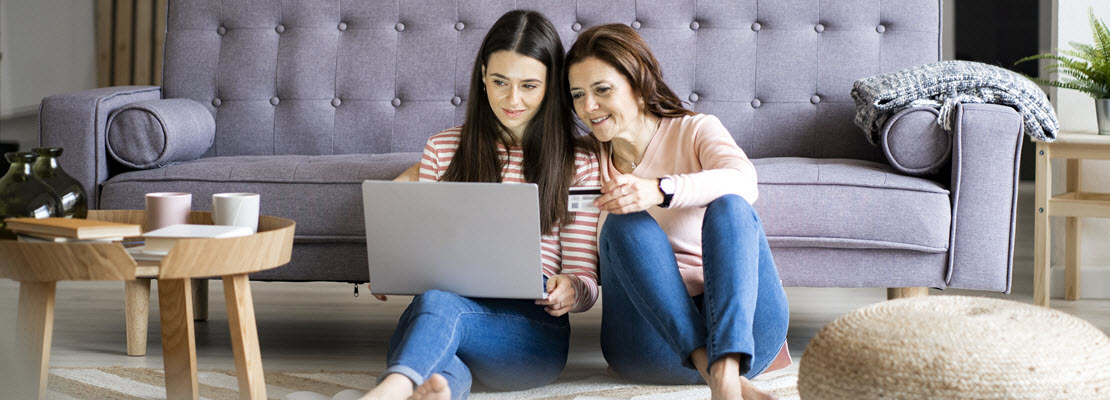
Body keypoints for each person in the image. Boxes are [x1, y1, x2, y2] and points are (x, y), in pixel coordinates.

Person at [362, 10, 601, 400]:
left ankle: (387, 392)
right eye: (500, 82)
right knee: (438, 328)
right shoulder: (442, 148)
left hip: (532, 334)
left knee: (435, 311)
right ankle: (437, 392)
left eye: (529, 85)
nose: (513, 99)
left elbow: (584, 278)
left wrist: (572, 289)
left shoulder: (580, 162)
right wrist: (396, 267)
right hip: (446, 310)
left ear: (551, 85)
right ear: (482, 76)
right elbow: (426, 252)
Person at [565, 24, 791, 400]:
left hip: (748, 336)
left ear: (639, 85)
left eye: (602, 90)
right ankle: (720, 378)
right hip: (649, 344)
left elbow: (745, 181)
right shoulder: (581, 161)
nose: (588, 107)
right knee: (624, 223)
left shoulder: (696, 130)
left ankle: (726, 368)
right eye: (578, 95)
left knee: (732, 205)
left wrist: (659, 190)